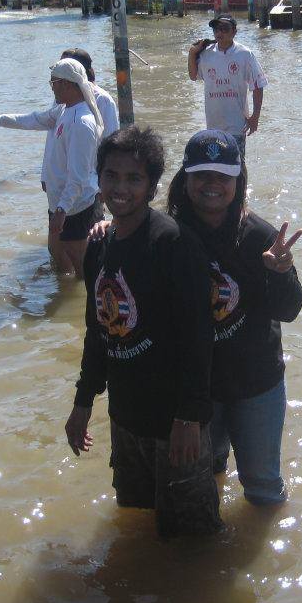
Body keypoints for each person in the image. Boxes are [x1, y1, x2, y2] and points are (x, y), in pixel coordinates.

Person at [65, 125, 222, 537]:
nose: (121, 188)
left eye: (134, 179)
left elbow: (198, 338)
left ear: (152, 186)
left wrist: (190, 417)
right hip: (126, 418)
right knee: (135, 521)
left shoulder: (173, 245)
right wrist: (83, 403)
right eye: (112, 176)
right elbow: (96, 330)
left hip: (175, 423)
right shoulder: (98, 246)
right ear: (98, 181)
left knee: (192, 540)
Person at [167, 129, 302, 504]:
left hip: (256, 385)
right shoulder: (168, 236)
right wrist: (108, 229)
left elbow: (289, 310)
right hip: (198, 390)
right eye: (202, 175)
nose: (212, 185)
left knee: (263, 488)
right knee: (202, 479)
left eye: (223, 176)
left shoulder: (260, 236)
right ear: (186, 180)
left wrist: (281, 272)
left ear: (238, 181)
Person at [0, 58, 103, 275]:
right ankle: (66, 293)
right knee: (56, 252)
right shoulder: (63, 111)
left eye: (53, 83)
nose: (51, 87)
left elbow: (78, 177)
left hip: (75, 207)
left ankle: (87, 301)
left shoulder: (81, 122)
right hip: (60, 204)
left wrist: (62, 210)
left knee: (82, 267)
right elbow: (32, 120)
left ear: (67, 84)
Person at [187, 15, 268, 156]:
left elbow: (258, 86)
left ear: (234, 32)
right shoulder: (206, 54)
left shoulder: (245, 54)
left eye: (225, 29)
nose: (220, 33)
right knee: (217, 171)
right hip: (213, 126)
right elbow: (194, 76)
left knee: (237, 167)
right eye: (216, 29)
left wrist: (255, 117)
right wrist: (192, 53)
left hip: (236, 126)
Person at [60, 47, 120, 135]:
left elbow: (111, 139)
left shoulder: (102, 100)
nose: (57, 72)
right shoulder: (61, 97)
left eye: (63, 68)